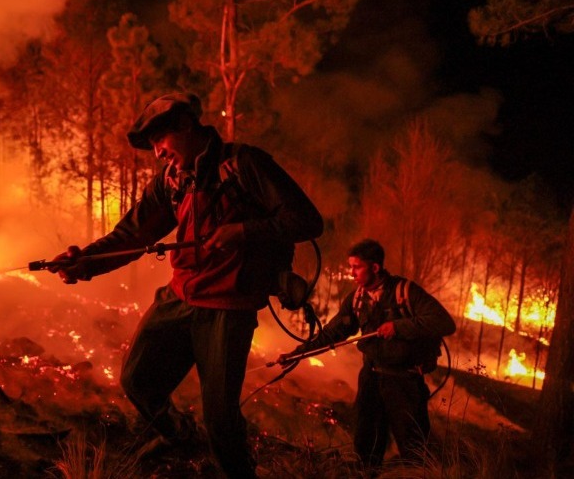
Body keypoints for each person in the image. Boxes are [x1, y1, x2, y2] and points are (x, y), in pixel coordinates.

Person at [50, 92, 323, 478]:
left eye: (161, 140)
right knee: (137, 380)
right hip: (179, 297)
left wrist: (243, 231)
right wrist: (84, 263)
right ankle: (181, 437)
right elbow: (132, 235)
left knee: (221, 418)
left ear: (186, 125)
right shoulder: (171, 182)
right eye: (152, 146)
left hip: (228, 308)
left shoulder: (244, 164)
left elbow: (307, 221)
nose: (158, 152)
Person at [278, 239, 456, 470]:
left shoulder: (405, 292)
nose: (351, 273)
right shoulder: (356, 299)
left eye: (357, 267)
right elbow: (332, 333)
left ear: (375, 267)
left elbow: (444, 323)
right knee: (366, 445)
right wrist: (296, 354)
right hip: (371, 377)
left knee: (414, 448)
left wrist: (398, 327)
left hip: (404, 382)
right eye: (350, 266)